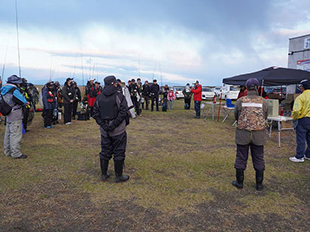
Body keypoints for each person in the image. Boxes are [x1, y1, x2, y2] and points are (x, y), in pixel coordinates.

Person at [232, 78, 268, 191]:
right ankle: (259, 184)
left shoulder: (240, 101)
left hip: (243, 134)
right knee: (258, 158)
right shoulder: (264, 101)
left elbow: (236, 116)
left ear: (246, 88)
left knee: (241, 157)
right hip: (259, 134)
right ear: (257, 88)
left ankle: (239, 182)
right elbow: (265, 116)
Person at [93, 75, 130, 183]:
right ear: (114, 83)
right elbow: (123, 112)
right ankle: (118, 176)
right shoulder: (119, 96)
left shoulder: (99, 97)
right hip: (117, 130)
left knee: (105, 151)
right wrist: (113, 125)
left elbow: (95, 113)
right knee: (119, 152)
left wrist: (104, 126)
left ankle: (104, 174)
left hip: (105, 130)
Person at [1, 75, 28, 159]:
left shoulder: (2, 90)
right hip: (15, 114)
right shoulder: (14, 90)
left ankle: (7, 151)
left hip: (8, 114)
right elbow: (23, 101)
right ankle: (16, 153)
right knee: (15, 134)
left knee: (8, 133)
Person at [289, 80, 310, 162]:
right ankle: (308, 155)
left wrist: (294, 117)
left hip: (303, 119)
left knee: (301, 139)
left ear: (302, 87)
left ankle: (299, 156)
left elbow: (297, 110)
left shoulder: (301, 97)